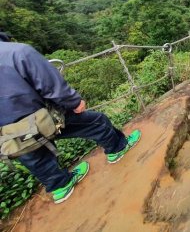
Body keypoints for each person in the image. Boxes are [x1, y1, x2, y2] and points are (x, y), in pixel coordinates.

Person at [0, 33, 141, 204]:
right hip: (41, 118)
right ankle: (117, 148)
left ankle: (60, 186)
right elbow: (48, 83)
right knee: (96, 122)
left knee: (32, 154)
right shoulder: (18, 52)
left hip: (7, 134)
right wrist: (73, 101)